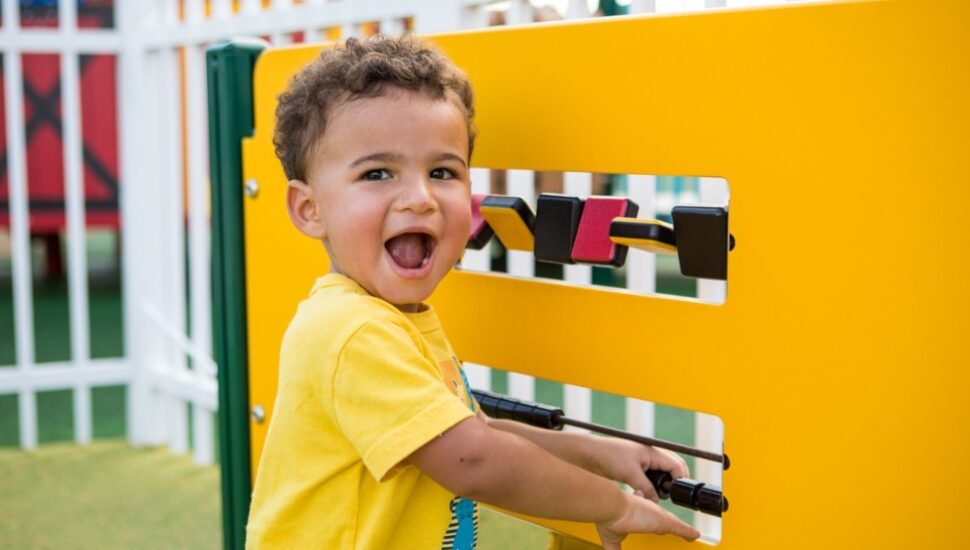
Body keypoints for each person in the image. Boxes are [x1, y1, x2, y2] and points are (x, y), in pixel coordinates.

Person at [246, 34, 700, 550]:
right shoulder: (351, 332)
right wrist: (611, 504)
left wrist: (602, 455)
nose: (420, 198)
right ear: (310, 209)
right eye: (377, 173)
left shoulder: (398, 319)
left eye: (442, 171)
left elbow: (477, 433)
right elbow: (473, 458)